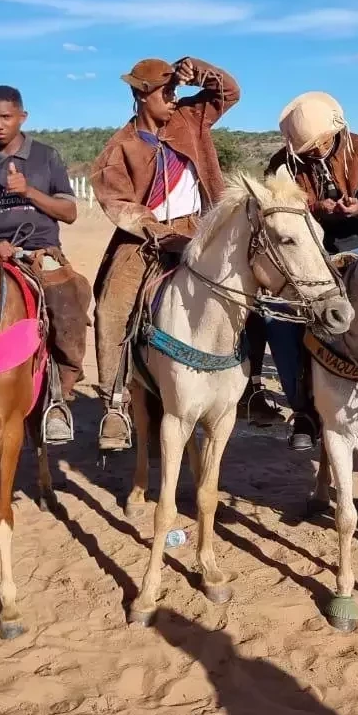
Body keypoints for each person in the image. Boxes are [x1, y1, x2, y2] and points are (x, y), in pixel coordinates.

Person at [91, 56, 240, 451]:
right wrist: (157, 232)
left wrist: (200, 70)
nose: (175, 98)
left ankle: (248, 385)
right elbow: (118, 202)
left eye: (177, 90)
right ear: (142, 96)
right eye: (167, 92)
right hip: (143, 239)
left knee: (244, 290)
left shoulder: (191, 119)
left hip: (200, 229)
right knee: (111, 307)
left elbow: (229, 92)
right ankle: (115, 403)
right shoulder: (119, 148)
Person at [245, 92, 358, 450]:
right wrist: (315, 207)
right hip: (305, 253)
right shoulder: (282, 162)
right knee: (278, 319)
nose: (313, 150)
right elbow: (277, 207)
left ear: (335, 131)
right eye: (306, 146)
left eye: (319, 143)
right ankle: (303, 411)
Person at [0, 85, 92, 444]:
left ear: (22, 117)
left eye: (6, 117)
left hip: (39, 251)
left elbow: (70, 212)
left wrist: (28, 191)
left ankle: (59, 396)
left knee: (69, 304)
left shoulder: (46, 157)